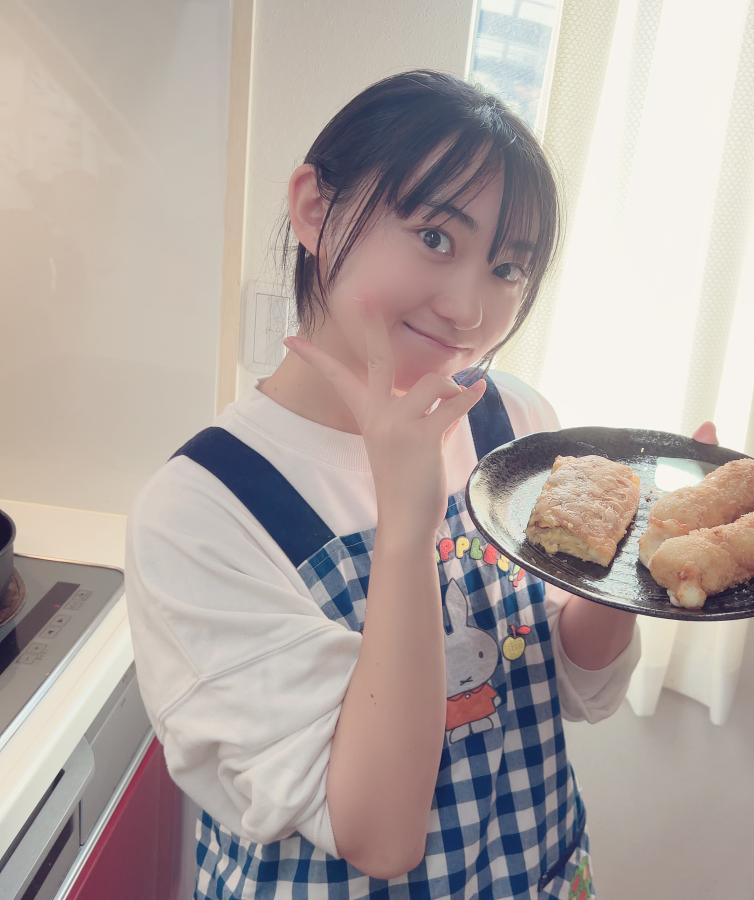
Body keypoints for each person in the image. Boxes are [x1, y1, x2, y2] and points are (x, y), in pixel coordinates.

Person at [124, 69, 716, 899]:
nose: (470, 310)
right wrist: (407, 529)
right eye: (436, 237)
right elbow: (378, 834)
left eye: (507, 268)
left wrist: (632, 562)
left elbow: (575, 687)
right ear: (315, 210)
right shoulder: (199, 512)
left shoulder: (510, 421)